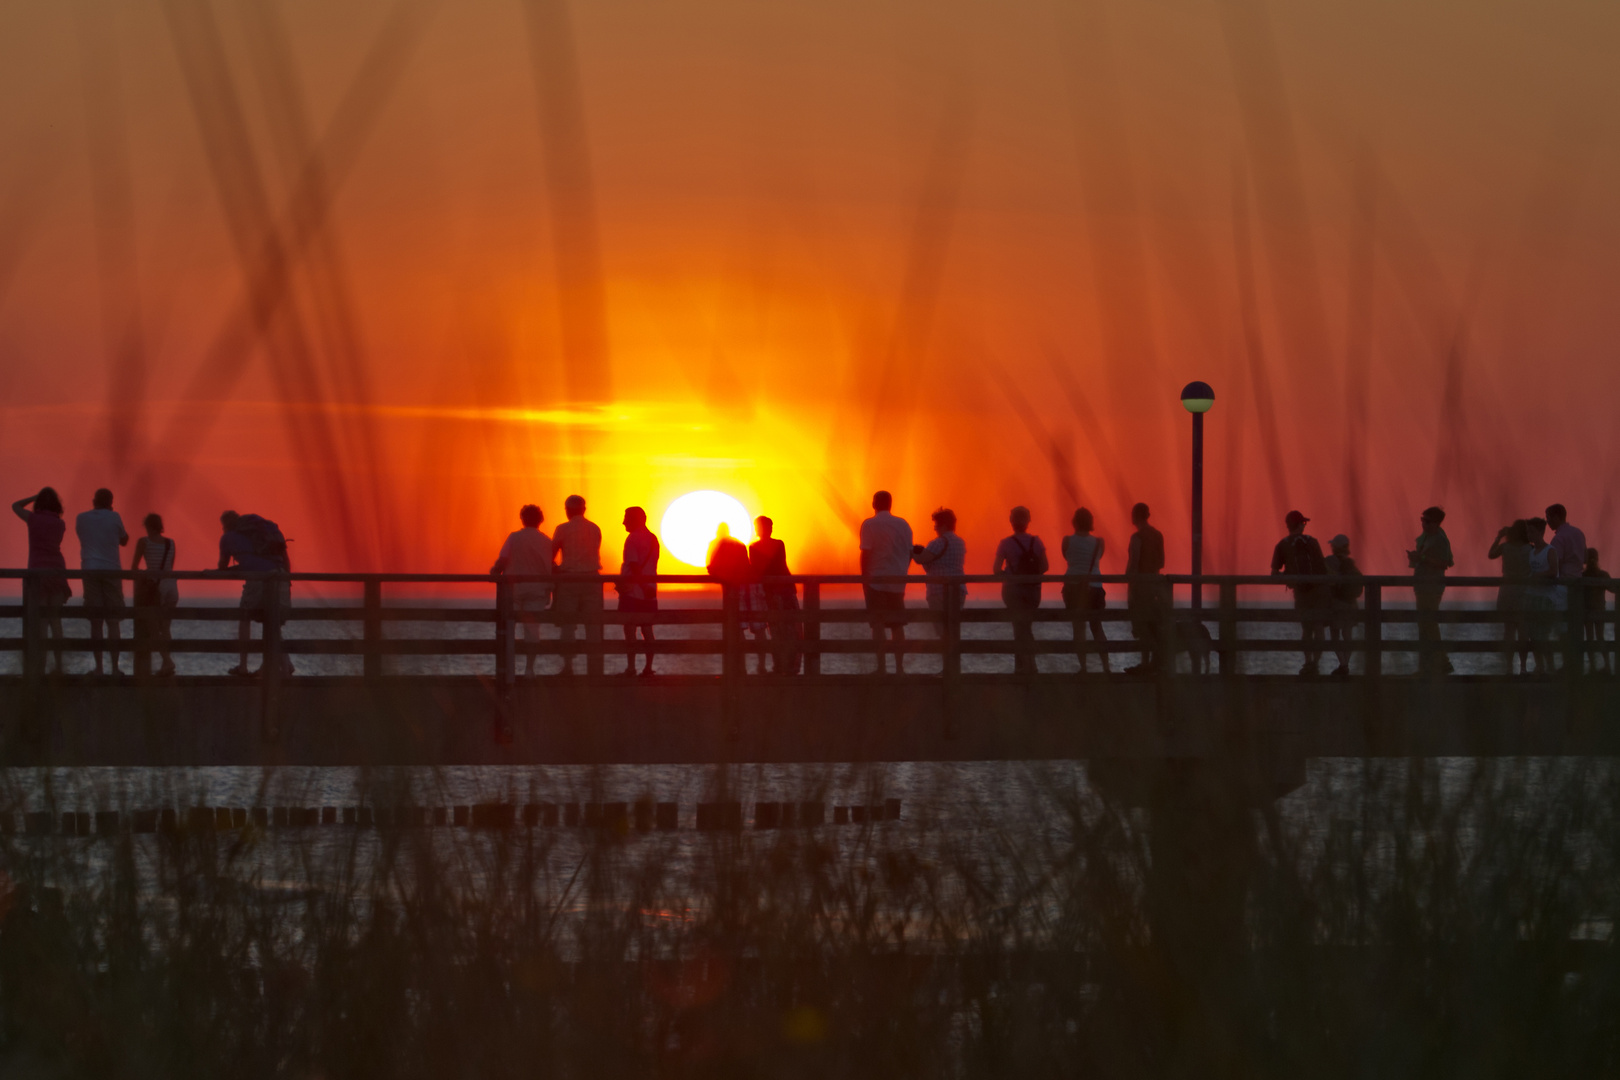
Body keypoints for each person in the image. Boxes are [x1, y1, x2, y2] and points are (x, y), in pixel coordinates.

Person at [216, 509, 293, 677]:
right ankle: (285, 667)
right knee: (272, 620)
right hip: (280, 576)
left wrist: (231, 567)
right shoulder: (266, 531)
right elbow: (285, 558)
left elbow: (222, 566)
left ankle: (243, 666)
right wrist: (287, 581)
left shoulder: (228, 537)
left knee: (244, 616)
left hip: (258, 579)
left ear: (225, 526)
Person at [11, 488, 70, 674]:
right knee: (56, 621)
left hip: (37, 575)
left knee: (42, 624)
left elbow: (15, 506)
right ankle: (59, 666)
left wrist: (33, 497)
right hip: (57, 571)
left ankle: (42, 667)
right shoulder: (60, 524)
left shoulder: (33, 519)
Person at [491, 504, 552, 678]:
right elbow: (550, 566)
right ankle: (529, 669)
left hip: (514, 589)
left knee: (509, 629)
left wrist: (494, 572)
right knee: (532, 631)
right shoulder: (547, 541)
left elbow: (502, 561)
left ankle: (508, 669)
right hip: (538, 590)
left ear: (522, 519)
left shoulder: (514, 538)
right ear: (540, 520)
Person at [75, 488, 129, 676]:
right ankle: (115, 668)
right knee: (113, 622)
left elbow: (83, 537)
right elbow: (124, 540)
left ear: (93, 500)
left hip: (89, 569)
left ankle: (98, 668)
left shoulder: (81, 518)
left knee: (95, 622)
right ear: (110, 502)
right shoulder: (115, 517)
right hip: (111, 570)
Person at [859, 491, 913, 675]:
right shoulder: (904, 524)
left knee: (878, 624)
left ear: (874, 504)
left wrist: (864, 580)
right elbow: (909, 553)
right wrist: (902, 574)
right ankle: (900, 668)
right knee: (897, 626)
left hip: (876, 581)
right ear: (890, 504)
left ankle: (881, 667)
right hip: (898, 581)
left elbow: (865, 554)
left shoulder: (869, 524)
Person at [1270, 510, 1329, 675]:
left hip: (1301, 593)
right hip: (1318, 592)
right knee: (1318, 628)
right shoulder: (1313, 542)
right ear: (1299, 524)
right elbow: (1323, 569)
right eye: (1303, 523)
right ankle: (1315, 664)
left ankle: (1307, 662)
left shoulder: (1282, 544)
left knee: (1306, 628)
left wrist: (1288, 576)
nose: (1304, 525)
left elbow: (1274, 573)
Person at [550, 495, 602, 675]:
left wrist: (555, 569)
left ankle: (568, 666)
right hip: (593, 580)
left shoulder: (562, 529)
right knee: (593, 624)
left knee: (568, 624)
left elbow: (551, 554)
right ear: (584, 509)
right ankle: (595, 668)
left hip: (569, 580)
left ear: (567, 510)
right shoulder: (595, 528)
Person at [993, 506, 1048, 675]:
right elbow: (1045, 566)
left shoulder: (1005, 543)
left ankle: (1023, 667)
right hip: (1033, 592)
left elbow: (996, 569)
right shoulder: (1037, 542)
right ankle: (1029, 665)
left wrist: (1009, 575)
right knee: (1026, 626)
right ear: (1028, 521)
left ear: (1011, 521)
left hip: (1013, 592)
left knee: (1018, 627)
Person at [1060, 508, 1109, 675]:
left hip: (1073, 587)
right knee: (1097, 627)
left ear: (1074, 521)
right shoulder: (1099, 542)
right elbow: (1098, 559)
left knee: (1078, 628)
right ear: (1090, 522)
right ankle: (1106, 667)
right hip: (1094, 587)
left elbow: (1067, 559)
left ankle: (1084, 667)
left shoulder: (1067, 540)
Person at [750, 516, 801, 675]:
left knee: (777, 631)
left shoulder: (754, 547)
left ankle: (781, 666)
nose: (769, 528)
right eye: (768, 526)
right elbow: (781, 565)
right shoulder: (778, 544)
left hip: (772, 592)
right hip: (783, 590)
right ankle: (790, 666)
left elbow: (757, 571)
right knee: (791, 630)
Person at [131, 513, 179, 677]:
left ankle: (167, 661)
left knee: (153, 628)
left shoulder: (144, 542)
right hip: (171, 587)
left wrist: (145, 573)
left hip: (155, 588)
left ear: (148, 526)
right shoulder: (170, 543)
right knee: (165, 627)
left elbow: (134, 568)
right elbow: (169, 567)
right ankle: (167, 662)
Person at [1407, 506, 1454, 675]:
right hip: (1422, 586)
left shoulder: (1440, 540)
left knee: (1429, 626)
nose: (1423, 524)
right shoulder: (1427, 538)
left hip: (1431, 587)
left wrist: (1422, 558)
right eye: (1422, 520)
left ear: (1435, 523)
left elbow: (1443, 563)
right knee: (1425, 626)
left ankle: (1441, 662)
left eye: (1426, 521)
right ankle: (1428, 666)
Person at [912, 508, 967, 645]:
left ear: (942, 525)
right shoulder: (960, 542)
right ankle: (953, 663)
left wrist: (912, 551)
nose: (934, 528)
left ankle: (947, 664)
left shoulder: (938, 543)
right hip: (958, 590)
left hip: (938, 591)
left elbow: (921, 560)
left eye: (936, 524)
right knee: (953, 628)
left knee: (942, 630)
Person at [617, 507, 660, 677]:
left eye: (626, 518)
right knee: (647, 630)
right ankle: (649, 668)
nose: (623, 522)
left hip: (633, 592)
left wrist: (640, 586)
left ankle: (631, 668)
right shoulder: (653, 538)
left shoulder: (632, 538)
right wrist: (648, 588)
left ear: (636, 519)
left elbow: (634, 566)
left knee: (630, 630)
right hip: (650, 591)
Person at [1125, 503, 1166, 674]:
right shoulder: (1158, 535)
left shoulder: (1137, 537)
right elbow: (1161, 562)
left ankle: (1144, 664)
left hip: (1140, 587)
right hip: (1155, 586)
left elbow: (1134, 563)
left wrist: (1128, 582)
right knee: (1153, 626)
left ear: (1135, 516)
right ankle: (1153, 663)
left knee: (1142, 627)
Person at [1488, 520, 1532, 674]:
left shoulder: (1505, 547)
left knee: (1509, 632)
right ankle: (1523, 667)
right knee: (1523, 632)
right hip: (1524, 592)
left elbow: (1491, 554)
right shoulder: (1530, 549)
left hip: (1507, 591)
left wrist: (1498, 537)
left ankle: (1508, 667)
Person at [1524, 516, 1561, 674]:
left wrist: (1537, 576)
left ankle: (1550, 667)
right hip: (1531, 596)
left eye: (1532, 531)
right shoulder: (1531, 551)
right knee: (1532, 635)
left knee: (1543, 636)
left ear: (1540, 532)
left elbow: (1553, 571)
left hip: (1546, 598)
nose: (1529, 535)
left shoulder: (1550, 550)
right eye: (1528, 532)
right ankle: (1539, 666)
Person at [1324, 534, 1363, 677]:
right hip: (1351, 603)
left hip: (1337, 603)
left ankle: (1343, 665)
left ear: (1335, 547)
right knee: (1348, 635)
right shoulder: (1351, 563)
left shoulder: (1329, 561)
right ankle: (1345, 665)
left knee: (1335, 636)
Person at [1582, 548, 1613, 674]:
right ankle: (1607, 666)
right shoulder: (1603, 575)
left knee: (1590, 639)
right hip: (1600, 610)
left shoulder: (1583, 575)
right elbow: (1613, 588)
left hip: (1587, 610)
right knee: (1600, 637)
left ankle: (1593, 667)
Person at [1547, 503, 1588, 590]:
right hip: (1578, 582)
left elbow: (1557, 564)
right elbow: (1585, 558)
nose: (1547, 522)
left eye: (1548, 518)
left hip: (1563, 584)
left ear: (1556, 517)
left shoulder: (1558, 538)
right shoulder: (1579, 533)